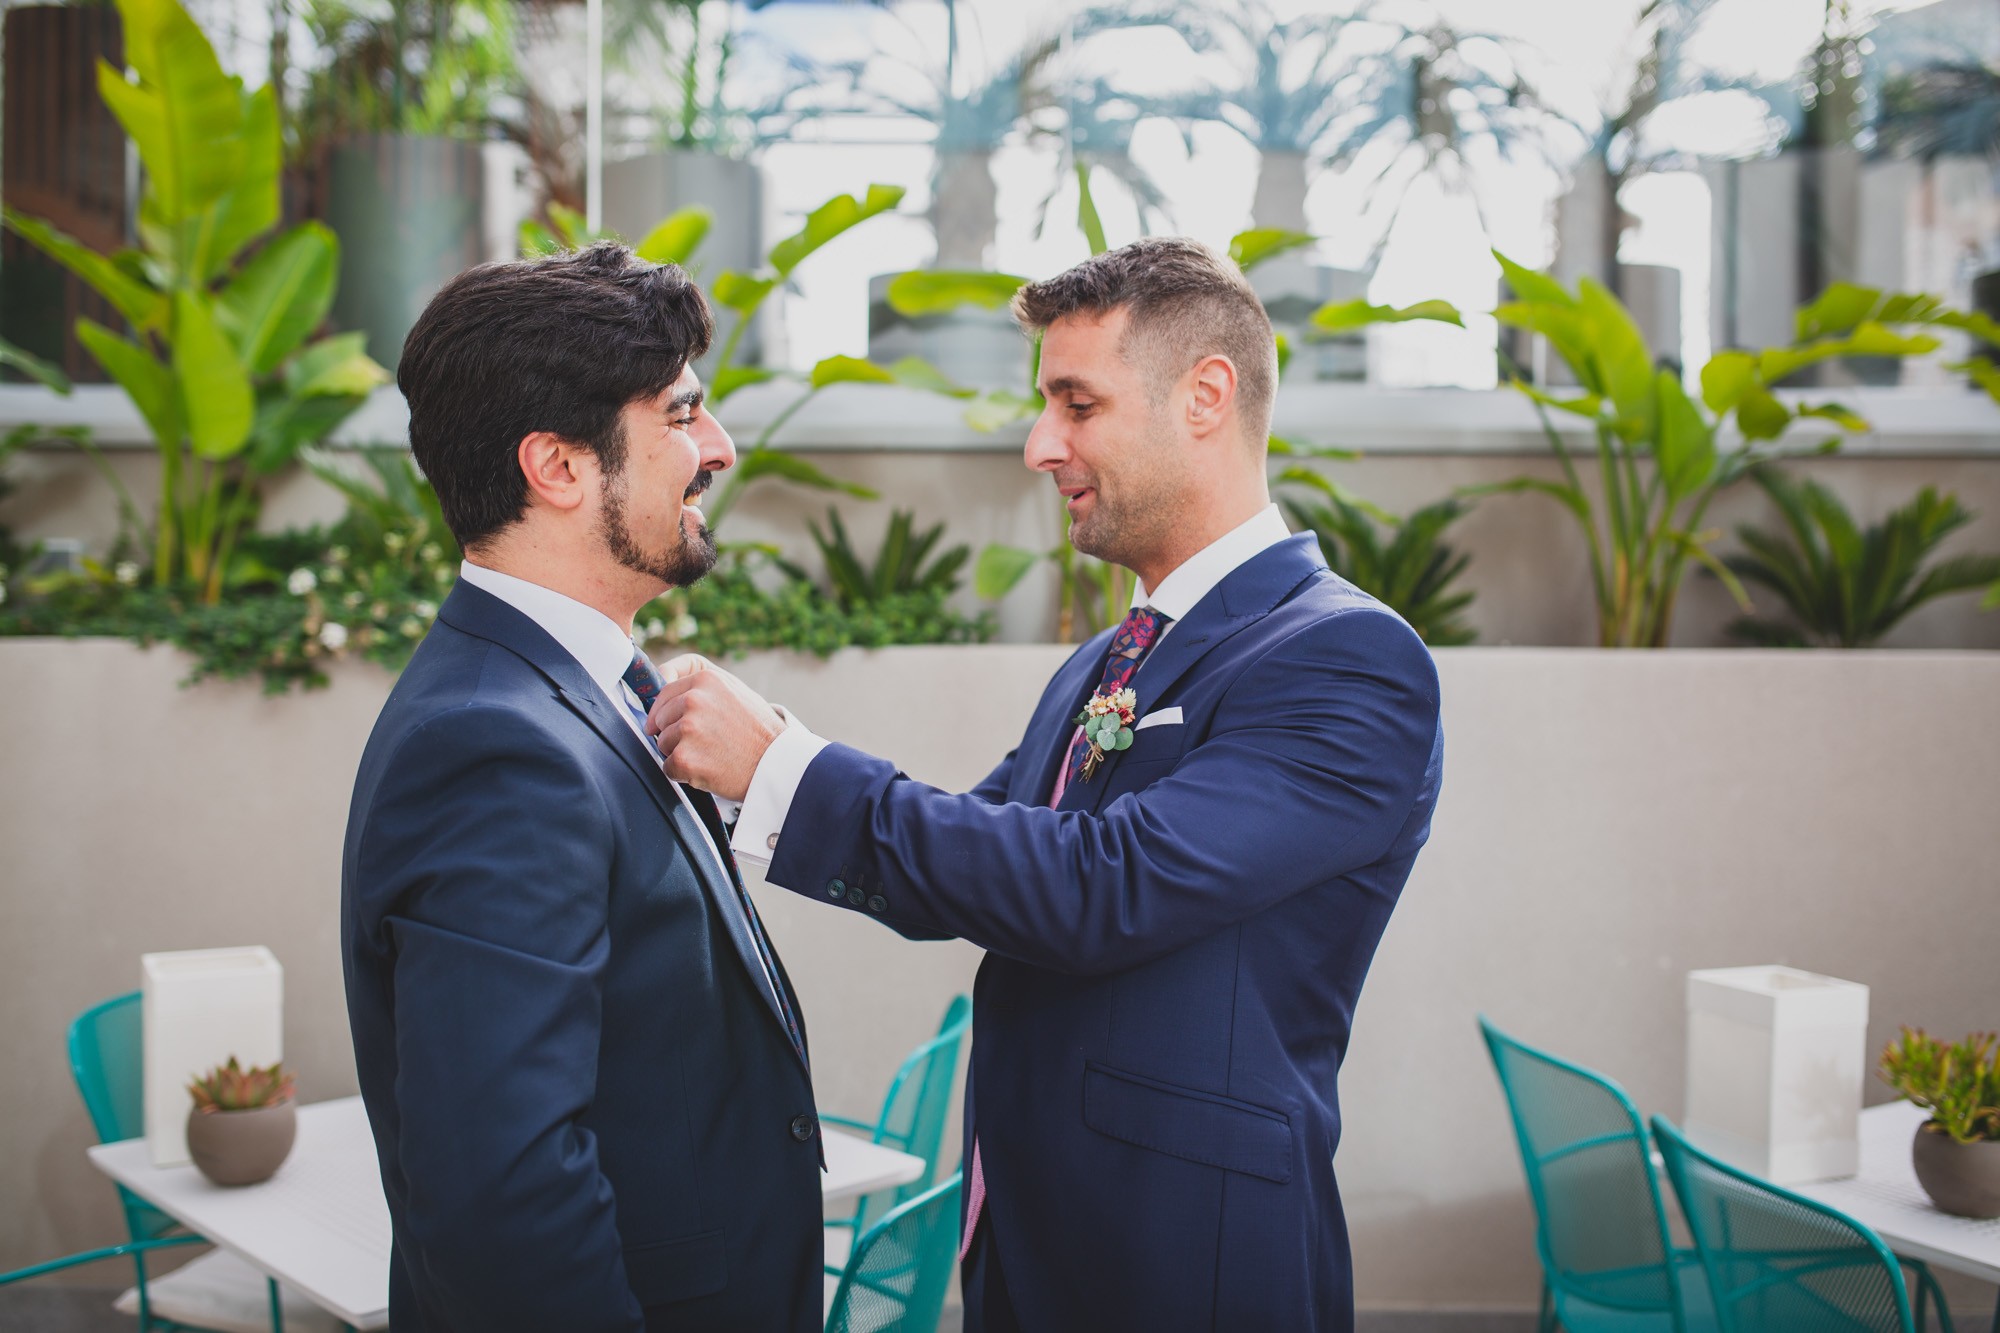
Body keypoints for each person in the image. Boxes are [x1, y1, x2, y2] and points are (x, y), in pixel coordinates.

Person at [651, 236, 1446, 1332]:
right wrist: (759, 768)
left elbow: (1100, 885)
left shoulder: (1346, 657)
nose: (1039, 445)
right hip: (1026, 1236)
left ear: (1204, 397)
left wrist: (785, 768)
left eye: (1076, 404)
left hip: (1184, 1262)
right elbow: (980, 864)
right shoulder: (1106, 659)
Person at [341, 243, 822, 1332]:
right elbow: (500, 1197)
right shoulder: (492, 747)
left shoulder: (581, 688)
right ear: (557, 467)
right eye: (680, 414)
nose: (718, 448)